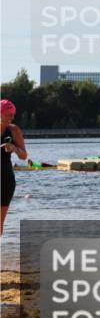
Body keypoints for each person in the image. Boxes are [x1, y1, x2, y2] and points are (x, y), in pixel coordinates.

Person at [1, 99, 28, 234]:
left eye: (13, 115)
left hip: (6, 179)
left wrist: (14, 148)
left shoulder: (14, 130)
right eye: (9, 115)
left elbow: (24, 155)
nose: (12, 118)